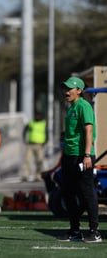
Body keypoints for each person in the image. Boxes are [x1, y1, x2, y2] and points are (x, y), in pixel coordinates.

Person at [57, 76, 102, 243]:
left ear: (79, 90)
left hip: (82, 156)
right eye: (65, 88)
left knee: (88, 193)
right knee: (68, 193)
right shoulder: (71, 108)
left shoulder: (84, 106)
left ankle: (94, 232)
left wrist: (87, 154)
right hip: (69, 156)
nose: (66, 91)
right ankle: (75, 231)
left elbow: (89, 131)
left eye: (69, 88)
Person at [21, 111, 47, 182]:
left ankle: (38, 176)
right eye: (36, 116)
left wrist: (45, 142)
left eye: (39, 116)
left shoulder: (43, 123)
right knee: (27, 160)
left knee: (39, 161)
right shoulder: (31, 123)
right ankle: (25, 175)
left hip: (39, 145)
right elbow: (25, 130)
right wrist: (24, 139)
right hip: (30, 144)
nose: (37, 117)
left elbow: (46, 132)